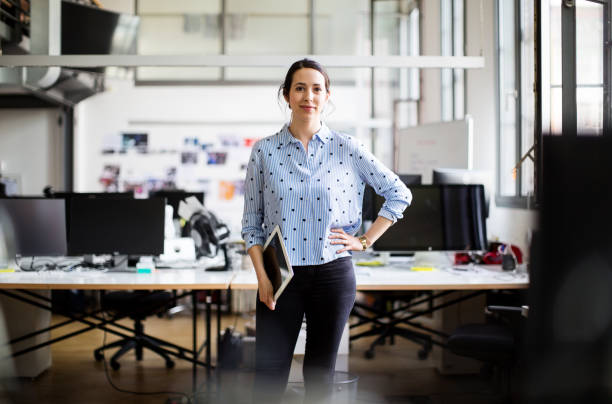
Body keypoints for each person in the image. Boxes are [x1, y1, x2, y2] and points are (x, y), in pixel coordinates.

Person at [241, 58, 412, 403]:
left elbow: (399, 194)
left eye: (316, 88)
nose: (308, 95)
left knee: (320, 375)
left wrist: (365, 241)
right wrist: (262, 277)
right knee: (269, 375)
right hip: (280, 275)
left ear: (327, 95)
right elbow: (251, 225)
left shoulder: (347, 147)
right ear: (287, 95)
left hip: (332, 273)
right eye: (300, 88)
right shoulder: (264, 151)